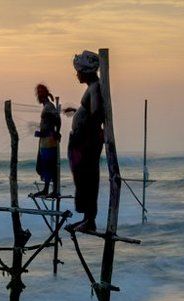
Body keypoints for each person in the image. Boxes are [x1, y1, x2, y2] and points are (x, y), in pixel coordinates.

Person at [63, 50, 104, 234]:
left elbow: (96, 113)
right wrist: (78, 111)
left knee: (87, 179)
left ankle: (89, 221)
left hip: (86, 142)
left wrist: (87, 133)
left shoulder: (95, 87)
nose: (76, 74)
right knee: (82, 180)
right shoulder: (91, 87)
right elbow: (89, 111)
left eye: (78, 70)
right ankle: (87, 219)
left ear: (86, 71)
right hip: (82, 141)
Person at [34, 84, 61, 197]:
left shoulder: (49, 106)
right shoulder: (46, 106)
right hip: (44, 140)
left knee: (50, 165)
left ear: (45, 93)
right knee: (45, 165)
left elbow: (58, 119)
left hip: (49, 140)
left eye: (41, 92)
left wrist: (56, 132)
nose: (39, 95)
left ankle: (54, 190)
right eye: (38, 92)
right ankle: (46, 189)